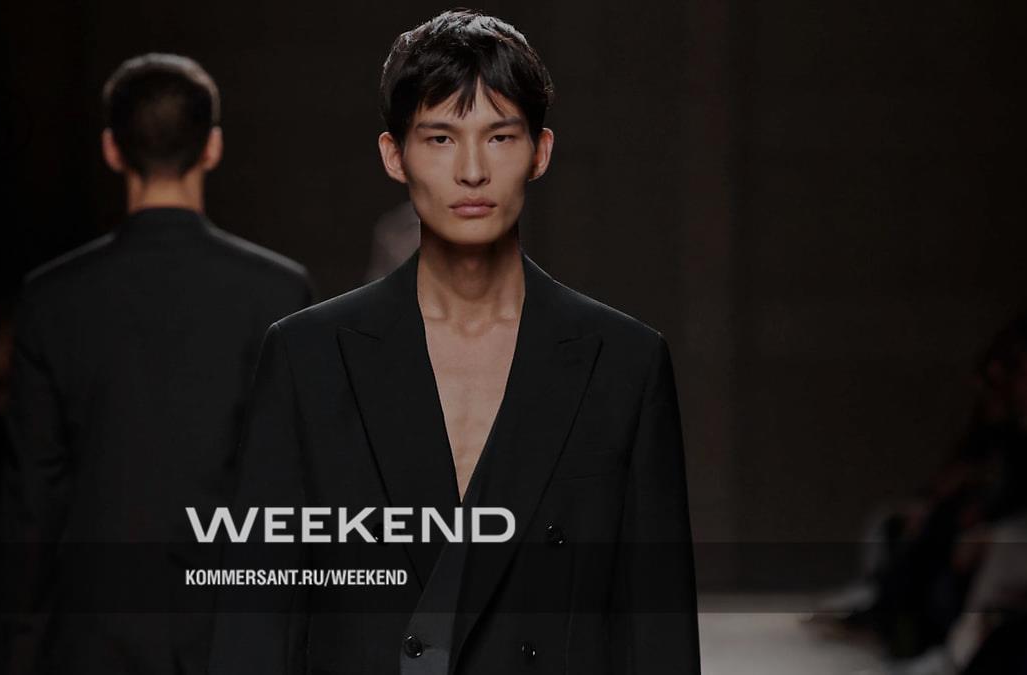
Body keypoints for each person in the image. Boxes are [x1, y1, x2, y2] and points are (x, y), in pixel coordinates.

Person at [209, 10, 699, 674]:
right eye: (440, 138)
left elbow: (657, 633)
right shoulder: (308, 358)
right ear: (395, 155)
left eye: (500, 137)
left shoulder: (625, 364)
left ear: (540, 152)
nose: (472, 170)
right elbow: (257, 625)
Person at [0, 53, 312, 675]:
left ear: (112, 149)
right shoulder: (279, 292)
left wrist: (18, 649)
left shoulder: (53, 298)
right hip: (232, 634)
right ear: (212, 147)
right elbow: (297, 492)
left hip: (93, 634)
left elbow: (32, 497)